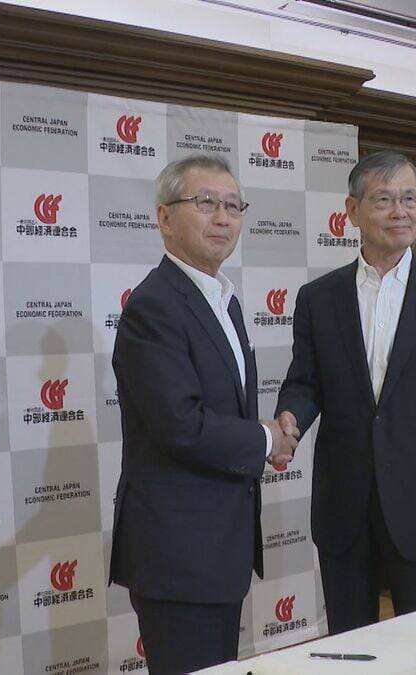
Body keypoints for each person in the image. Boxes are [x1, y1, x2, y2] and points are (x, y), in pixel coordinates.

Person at [275, 150, 416, 634]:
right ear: (352, 211)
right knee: (350, 646)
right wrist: (290, 417)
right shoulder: (319, 297)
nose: (401, 212)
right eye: (384, 200)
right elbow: (305, 381)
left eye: (409, 199)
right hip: (343, 506)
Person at [108, 153, 297, 673]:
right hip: (178, 554)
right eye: (206, 202)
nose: (223, 218)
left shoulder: (223, 300)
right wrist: (266, 440)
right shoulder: (155, 305)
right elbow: (181, 425)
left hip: (219, 549)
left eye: (233, 206)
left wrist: (267, 438)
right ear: (165, 218)